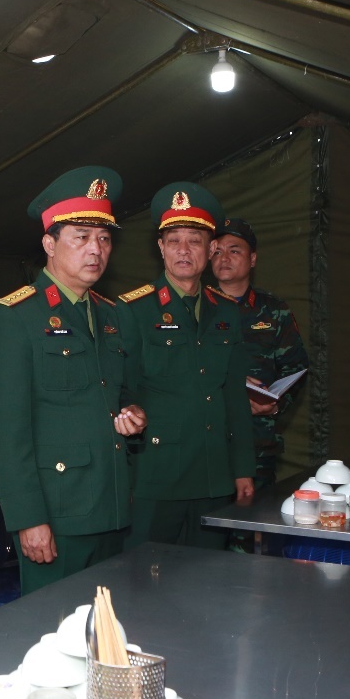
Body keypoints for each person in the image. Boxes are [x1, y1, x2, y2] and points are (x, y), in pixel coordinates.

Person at [0, 167, 147, 594]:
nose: (96, 250)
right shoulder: (15, 317)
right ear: (49, 244)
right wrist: (28, 519)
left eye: (104, 239)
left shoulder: (110, 315)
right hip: (57, 513)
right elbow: (5, 433)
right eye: (81, 237)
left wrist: (133, 413)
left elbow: (120, 393)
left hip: (110, 505)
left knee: (109, 625)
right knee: (53, 626)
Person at [117, 181, 255, 551]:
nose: (183, 250)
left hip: (213, 475)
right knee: (144, 577)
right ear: (160, 248)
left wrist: (243, 468)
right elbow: (122, 391)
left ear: (210, 250)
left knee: (209, 578)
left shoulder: (225, 311)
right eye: (174, 240)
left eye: (194, 241)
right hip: (156, 477)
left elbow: (234, 397)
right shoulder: (133, 310)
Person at [208, 216, 309, 490]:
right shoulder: (197, 307)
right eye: (216, 251)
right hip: (208, 440)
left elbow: (296, 367)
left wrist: (275, 404)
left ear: (252, 259)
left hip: (257, 443)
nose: (224, 258)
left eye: (234, 251)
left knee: (253, 514)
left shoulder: (274, 310)